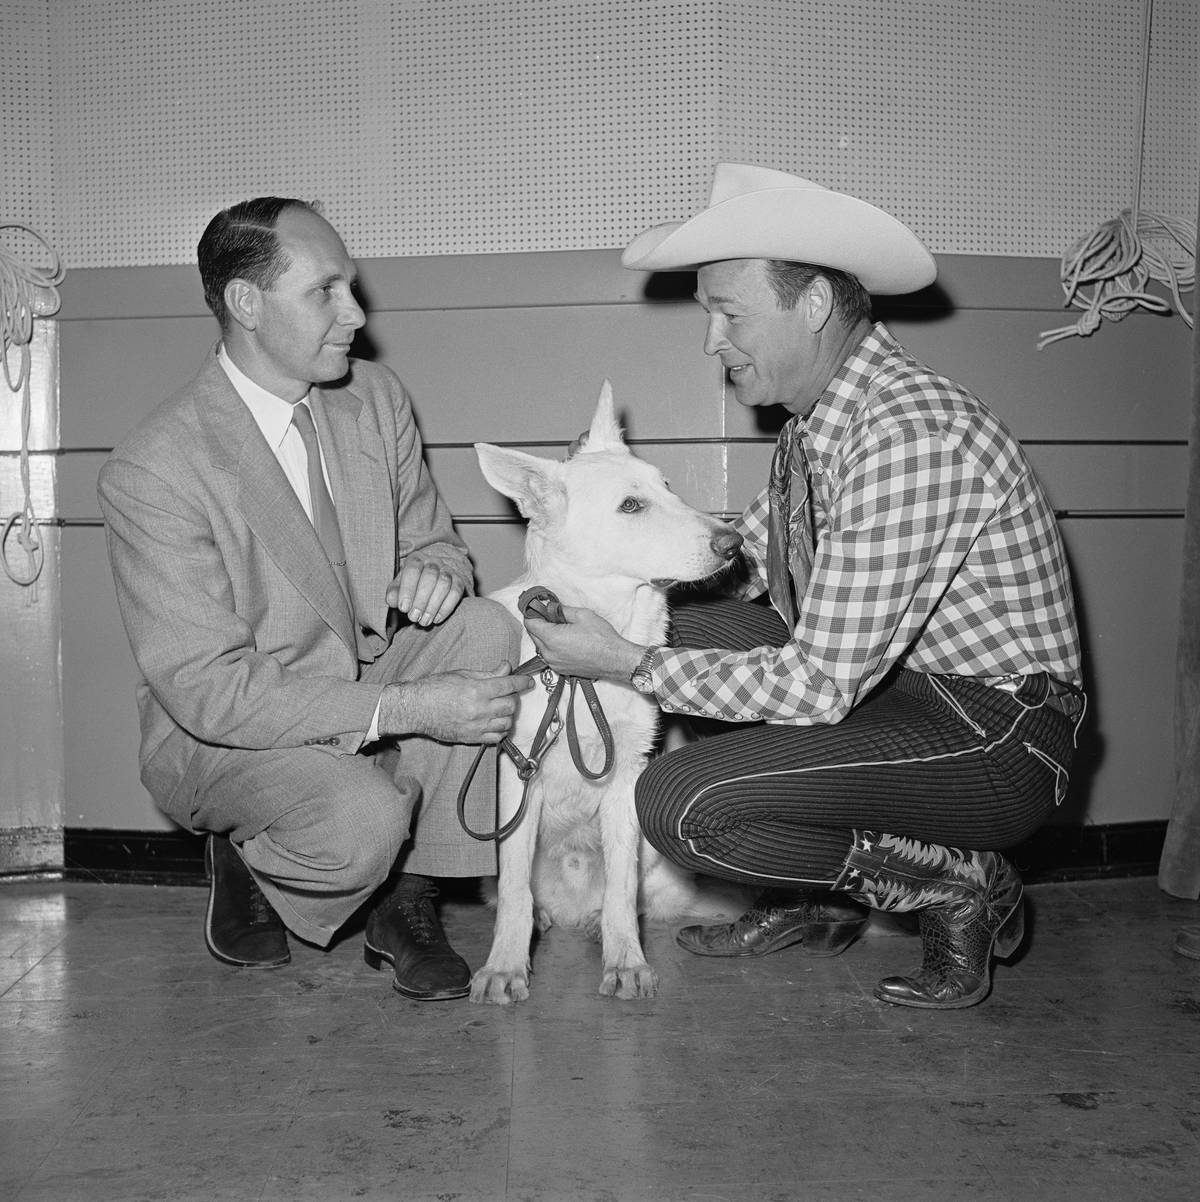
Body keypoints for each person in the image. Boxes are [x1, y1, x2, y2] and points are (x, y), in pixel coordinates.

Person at [525, 163, 1085, 1010]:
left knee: (676, 802)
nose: (711, 340)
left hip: (995, 735)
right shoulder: (819, 427)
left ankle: (954, 883)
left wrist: (624, 661)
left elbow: (818, 683)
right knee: (675, 622)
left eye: (729, 312)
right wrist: (595, 534)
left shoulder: (909, 434)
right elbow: (738, 558)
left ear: (814, 304)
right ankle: (816, 897)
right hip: (901, 688)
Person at [98, 197, 530, 1001]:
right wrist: (408, 708)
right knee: (363, 822)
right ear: (246, 303)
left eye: (350, 287)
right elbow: (212, 690)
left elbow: (436, 542)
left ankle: (407, 897)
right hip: (225, 729)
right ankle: (251, 849)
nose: (356, 314)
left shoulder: (375, 398)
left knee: (484, 629)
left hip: (355, 677)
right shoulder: (154, 470)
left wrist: (435, 571)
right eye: (325, 291)